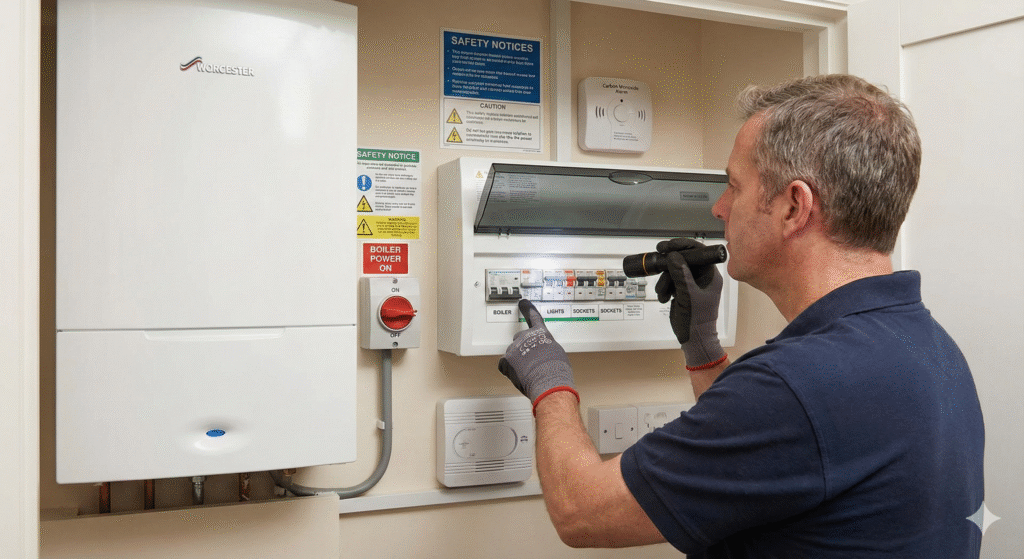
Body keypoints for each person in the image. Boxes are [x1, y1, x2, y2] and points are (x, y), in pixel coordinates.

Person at [497, 74, 985, 557]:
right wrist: (702, 347)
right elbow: (777, 460)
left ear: (794, 206)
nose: (718, 207)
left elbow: (582, 512)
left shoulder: (796, 383)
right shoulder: (929, 347)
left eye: (734, 185)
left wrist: (550, 384)